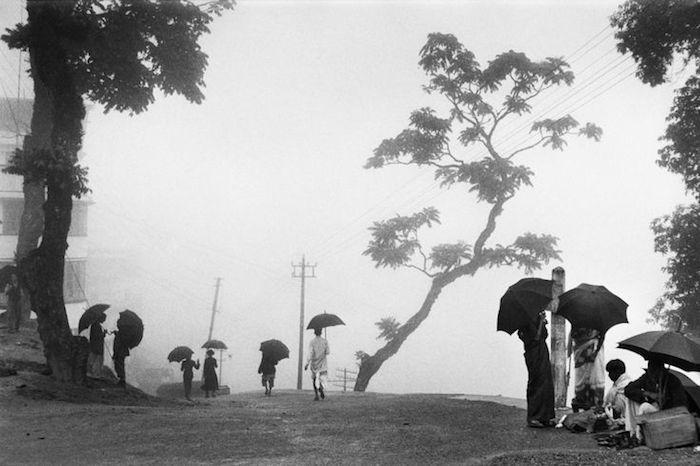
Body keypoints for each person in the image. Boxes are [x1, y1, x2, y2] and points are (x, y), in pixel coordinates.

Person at [624, 356, 688, 439]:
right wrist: (648, 394)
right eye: (651, 372)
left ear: (661, 370)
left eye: (655, 372)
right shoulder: (647, 377)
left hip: (669, 416)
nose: (653, 376)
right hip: (654, 414)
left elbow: (680, 405)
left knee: (644, 407)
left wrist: (665, 400)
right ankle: (634, 433)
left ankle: (640, 437)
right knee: (636, 402)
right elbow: (628, 390)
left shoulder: (673, 381)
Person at [518, 312, 555, 428]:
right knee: (536, 382)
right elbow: (536, 337)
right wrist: (540, 323)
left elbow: (544, 335)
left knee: (547, 383)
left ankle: (546, 416)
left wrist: (543, 323)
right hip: (533, 353)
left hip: (542, 351)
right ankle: (533, 417)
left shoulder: (537, 317)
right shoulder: (525, 321)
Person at [569, 327, 605, 411]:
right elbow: (573, 335)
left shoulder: (599, 320)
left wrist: (596, 351)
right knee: (580, 378)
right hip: (580, 352)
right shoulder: (577, 321)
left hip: (595, 350)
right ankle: (581, 400)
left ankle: (596, 402)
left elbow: (602, 335)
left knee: (596, 376)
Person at [603, 359, 632, 428]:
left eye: (610, 372)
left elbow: (617, 407)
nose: (609, 375)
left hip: (627, 418)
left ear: (617, 372)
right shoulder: (617, 385)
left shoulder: (623, 386)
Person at [305, 327, 329, 401]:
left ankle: (316, 395)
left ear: (314, 333)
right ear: (321, 332)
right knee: (322, 378)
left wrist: (307, 363)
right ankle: (321, 388)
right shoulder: (325, 341)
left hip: (314, 363)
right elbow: (328, 352)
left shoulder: (312, 342)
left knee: (314, 379)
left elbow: (310, 353)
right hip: (323, 363)